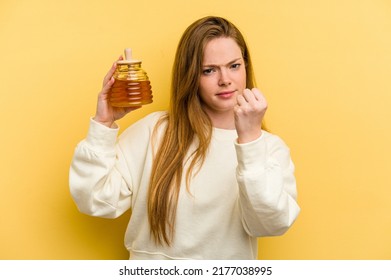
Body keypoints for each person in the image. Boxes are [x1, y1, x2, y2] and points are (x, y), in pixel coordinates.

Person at [69, 16, 300, 260]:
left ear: (246, 66)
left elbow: (270, 224)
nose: (225, 80)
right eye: (209, 70)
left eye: (234, 66)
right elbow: (94, 200)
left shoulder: (269, 148)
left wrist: (251, 142)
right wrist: (103, 123)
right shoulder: (154, 131)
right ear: (190, 76)